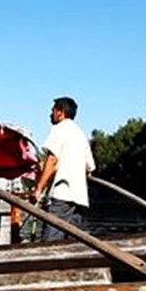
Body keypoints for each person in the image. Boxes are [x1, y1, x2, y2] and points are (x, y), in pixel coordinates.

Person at [31, 97, 95, 241]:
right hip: (79, 198)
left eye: (52, 111)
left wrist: (39, 188)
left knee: (51, 240)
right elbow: (89, 168)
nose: (50, 114)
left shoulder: (59, 129)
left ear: (61, 112)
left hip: (63, 194)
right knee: (72, 242)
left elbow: (52, 159)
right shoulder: (81, 135)